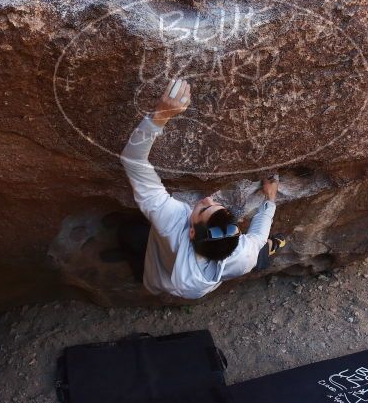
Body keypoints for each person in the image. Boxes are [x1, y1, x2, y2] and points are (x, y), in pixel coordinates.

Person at [119, 77, 285, 299]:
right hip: (186, 277)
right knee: (259, 249)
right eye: (216, 206)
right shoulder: (244, 255)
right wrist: (269, 201)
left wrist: (161, 115)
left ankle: (132, 260)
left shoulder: (172, 222)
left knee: (128, 233)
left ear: (190, 232)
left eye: (203, 209)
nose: (208, 199)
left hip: (158, 271)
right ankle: (269, 249)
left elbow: (132, 160)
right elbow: (258, 235)